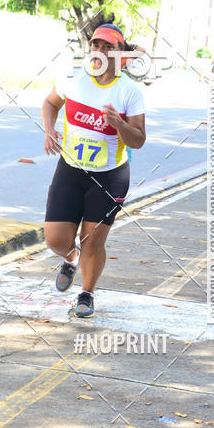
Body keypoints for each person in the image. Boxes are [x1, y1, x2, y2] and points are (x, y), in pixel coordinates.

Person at [42, 23, 146, 318]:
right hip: (71, 169)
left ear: (119, 54)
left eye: (107, 46)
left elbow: (138, 140)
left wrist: (120, 124)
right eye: (96, 44)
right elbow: (50, 103)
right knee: (55, 239)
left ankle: (86, 293)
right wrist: (49, 130)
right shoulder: (73, 78)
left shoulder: (129, 91)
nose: (99, 50)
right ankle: (71, 258)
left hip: (109, 176)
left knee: (93, 241)